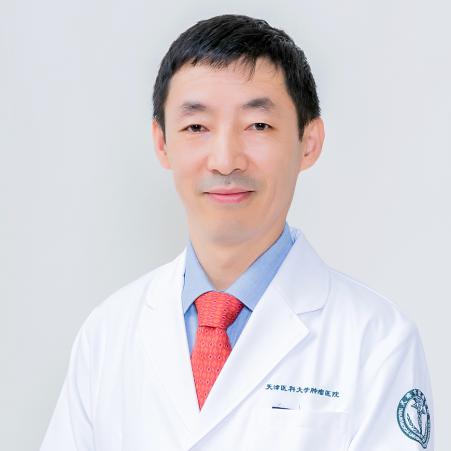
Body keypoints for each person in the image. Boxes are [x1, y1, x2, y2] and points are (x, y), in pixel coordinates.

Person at [40, 14, 434, 451]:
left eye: (258, 126)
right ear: (162, 142)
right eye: (196, 127)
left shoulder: (377, 342)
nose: (226, 160)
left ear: (309, 142)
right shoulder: (108, 333)